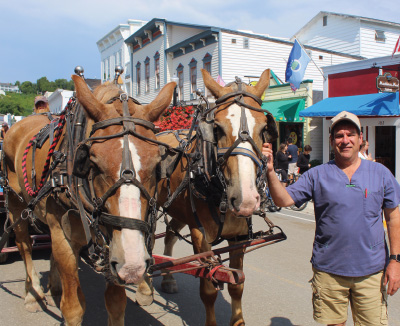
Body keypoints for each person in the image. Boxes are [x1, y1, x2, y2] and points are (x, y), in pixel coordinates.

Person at [262, 111, 400, 326]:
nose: (345, 140)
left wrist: (395, 261)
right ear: (331, 140)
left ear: (360, 138)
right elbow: (283, 200)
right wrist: (270, 171)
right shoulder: (317, 175)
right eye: (339, 135)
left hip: (372, 272)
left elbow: (393, 220)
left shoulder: (381, 173)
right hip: (329, 271)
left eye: (350, 134)